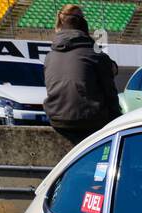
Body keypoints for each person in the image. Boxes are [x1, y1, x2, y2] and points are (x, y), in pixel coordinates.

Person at [43, 7, 121, 144]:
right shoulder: (94, 54)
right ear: (84, 25)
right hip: (89, 120)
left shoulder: (49, 56)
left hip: (56, 118)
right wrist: (118, 119)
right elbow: (110, 94)